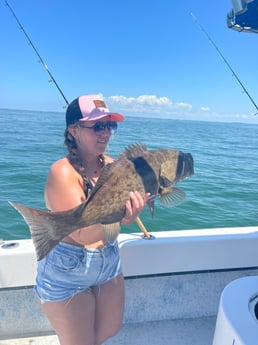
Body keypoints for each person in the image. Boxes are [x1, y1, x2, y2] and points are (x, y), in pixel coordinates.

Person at [34, 94, 149, 345]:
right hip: (68, 274)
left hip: (108, 266)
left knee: (108, 331)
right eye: (98, 126)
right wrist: (121, 217)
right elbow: (81, 235)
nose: (105, 133)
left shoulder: (112, 164)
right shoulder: (62, 172)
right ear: (74, 130)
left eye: (110, 125)